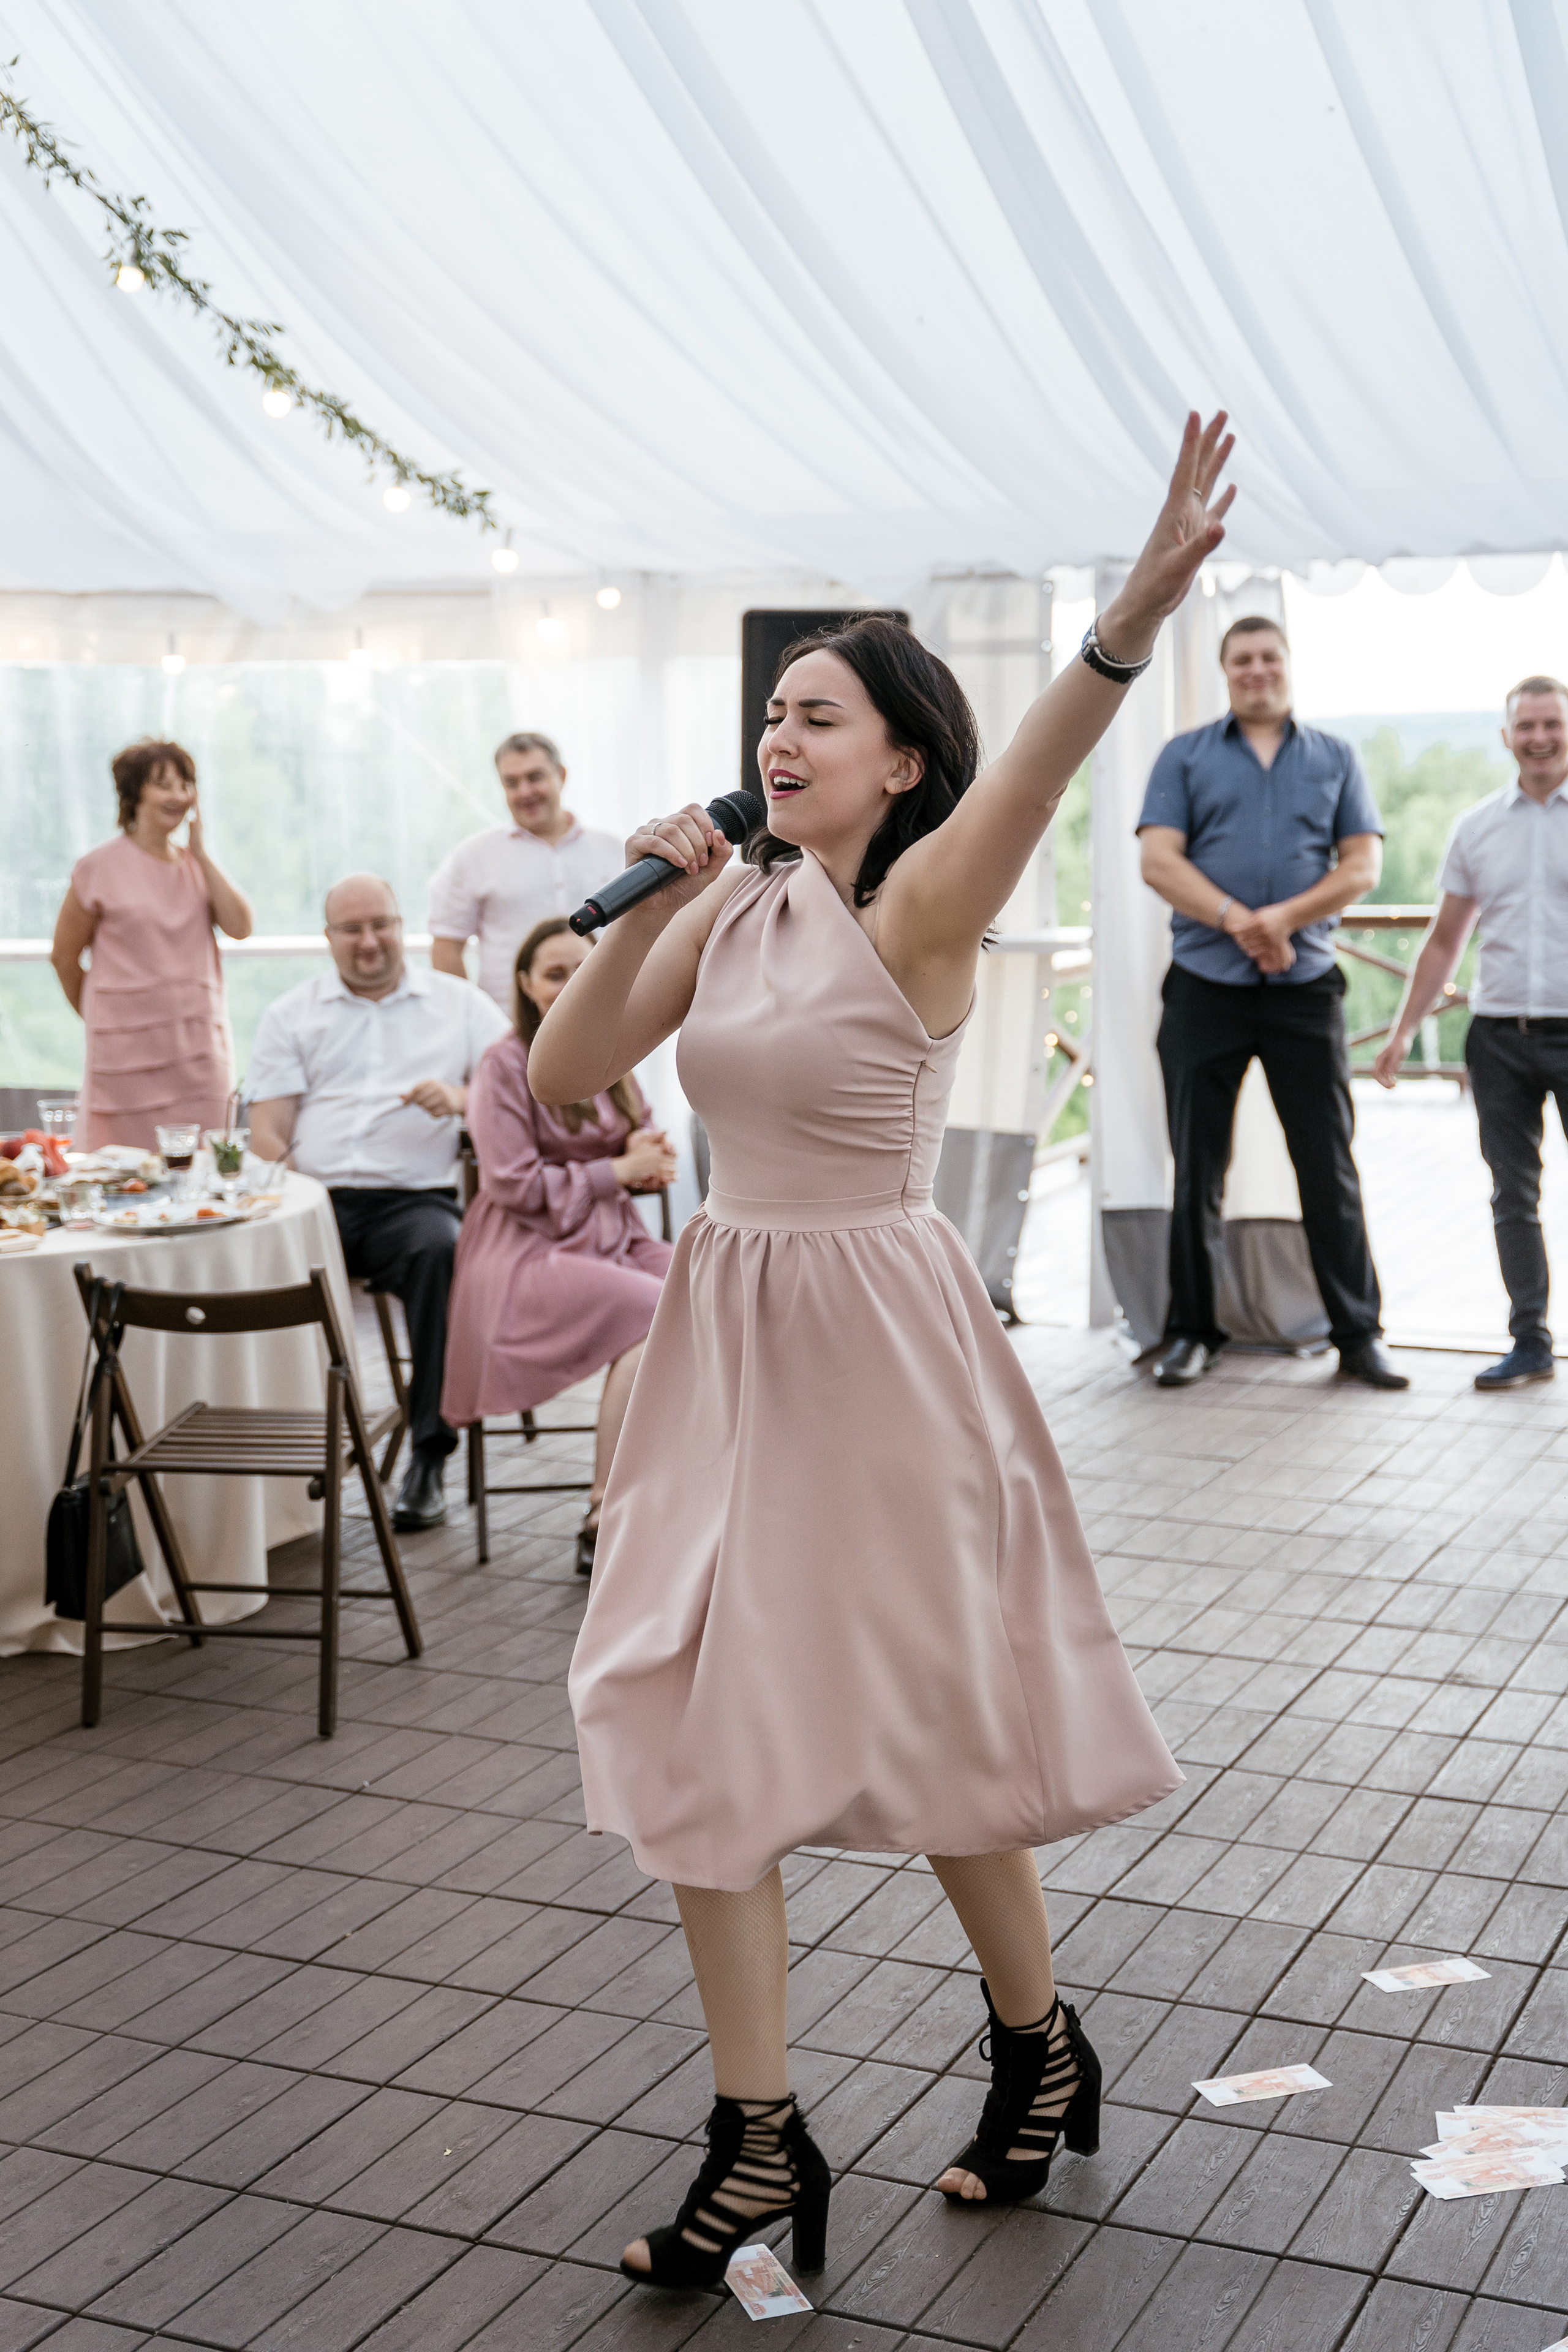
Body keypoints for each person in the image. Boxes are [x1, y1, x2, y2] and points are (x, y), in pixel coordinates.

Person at [529, 415, 1234, 2295]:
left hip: (875, 1350)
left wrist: (1136, 608)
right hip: (725, 1339)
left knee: (930, 1736)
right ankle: (758, 2138)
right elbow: (561, 1073)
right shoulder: (729, 902)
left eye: (822, 713)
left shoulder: (919, 910)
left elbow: (1052, 752)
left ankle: (1036, 2042)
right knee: (680, 1720)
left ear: (899, 757)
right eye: (773, 707)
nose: (782, 731)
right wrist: (654, 884)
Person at [1136, 615, 1405, 1391]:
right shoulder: (1183, 756)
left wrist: (1279, 921)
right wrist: (1236, 922)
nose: (1257, 669)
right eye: (1242, 659)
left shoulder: (1335, 757)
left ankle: (1358, 1336)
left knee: (1327, 1168)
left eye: (1269, 657)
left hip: (1303, 991)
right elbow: (1158, 860)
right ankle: (1191, 1331)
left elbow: (1362, 865)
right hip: (1203, 990)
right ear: (1225, 671)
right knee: (1196, 1168)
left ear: (1287, 666)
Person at [247, 875, 508, 1530]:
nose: (369, 942)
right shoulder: (292, 1012)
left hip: (413, 1204)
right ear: (329, 938)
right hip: (314, 1201)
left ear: (402, 926)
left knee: (442, 1253)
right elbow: (267, 1134)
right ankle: (280, 1461)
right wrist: (294, 1187)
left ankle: (428, 1455)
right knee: (250, 1269)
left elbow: (521, 1102)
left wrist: (461, 1102)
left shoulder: (463, 1006)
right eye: (352, 929)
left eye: (380, 925)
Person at [441, 919, 677, 1572]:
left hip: (612, 1238)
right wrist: (616, 1172)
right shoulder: (503, 1064)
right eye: (554, 974)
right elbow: (511, 1184)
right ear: (524, 984)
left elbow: (648, 1139)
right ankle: (606, 1510)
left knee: (711, 1289)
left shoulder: (616, 1051)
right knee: (659, 1312)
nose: (571, 985)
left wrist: (644, 1155)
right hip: (527, 1250)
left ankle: (682, 1489)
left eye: (582, 969)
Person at [1374, 676, 1568, 1390]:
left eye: (1552, 723)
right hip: (1499, 1038)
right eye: (1527, 726)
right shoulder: (1477, 827)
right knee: (1512, 1194)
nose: (1540, 738)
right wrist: (1400, 1033)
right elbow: (1443, 942)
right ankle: (1530, 1340)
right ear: (1506, 736)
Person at [49, 737, 251, 1148]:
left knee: (202, 1164)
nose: (179, 796)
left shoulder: (197, 867)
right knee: (119, 1171)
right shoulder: (96, 868)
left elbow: (240, 926)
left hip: (197, 1054)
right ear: (134, 791)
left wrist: (201, 852)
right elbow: (64, 957)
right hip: (124, 1057)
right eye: (164, 784)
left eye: (186, 785)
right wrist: (102, 1018)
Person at [428, 731, 622, 1009]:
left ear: (562, 775)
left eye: (535, 778)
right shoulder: (472, 856)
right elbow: (446, 946)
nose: (525, 792)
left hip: (606, 1014)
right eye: (512, 783)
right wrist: (471, 1019)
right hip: (508, 1026)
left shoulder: (613, 850)